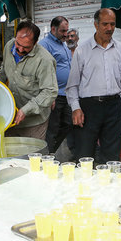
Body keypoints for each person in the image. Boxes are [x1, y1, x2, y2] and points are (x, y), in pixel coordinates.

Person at [66, 8, 121, 163]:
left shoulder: (120, 48)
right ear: (96, 25)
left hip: (113, 106)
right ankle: (85, 186)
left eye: (112, 24)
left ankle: (110, 185)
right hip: (88, 108)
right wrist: (75, 108)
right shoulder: (82, 50)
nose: (109, 28)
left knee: (111, 156)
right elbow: (72, 85)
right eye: (105, 24)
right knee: (84, 155)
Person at [0, 20, 58, 140]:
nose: (20, 50)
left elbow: (50, 91)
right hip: (10, 115)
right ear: (15, 37)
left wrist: (25, 110)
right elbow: (3, 72)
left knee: (31, 155)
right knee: (9, 154)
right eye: (18, 44)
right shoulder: (9, 46)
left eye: (26, 47)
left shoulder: (44, 60)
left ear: (35, 43)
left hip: (33, 122)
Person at [39, 16, 73, 153]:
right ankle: (47, 156)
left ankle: (51, 151)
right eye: (63, 31)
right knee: (53, 128)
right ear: (53, 29)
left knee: (68, 124)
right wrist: (49, 95)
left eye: (67, 31)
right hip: (55, 95)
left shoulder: (63, 44)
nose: (66, 34)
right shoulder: (44, 45)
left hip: (67, 94)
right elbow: (42, 72)